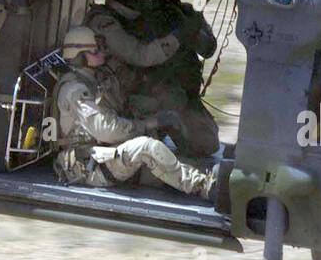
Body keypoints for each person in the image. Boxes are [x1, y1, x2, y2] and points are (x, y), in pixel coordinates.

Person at [52, 26, 219, 199]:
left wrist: (157, 114)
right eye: (95, 50)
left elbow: (123, 105)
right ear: (79, 57)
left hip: (106, 155)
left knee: (166, 167)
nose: (102, 53)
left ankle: (208, 180)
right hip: (87, 165)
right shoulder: (74, 90)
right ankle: (204, 187)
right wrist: (146, 124)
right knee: (147, 147)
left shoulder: (98, 79)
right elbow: (107, 130)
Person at [119, 0, 220, 157]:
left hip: (185, 95)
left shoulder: (188, 13)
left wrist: (188, 26)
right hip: (155, 94)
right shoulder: (141, 12)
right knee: (203, 144)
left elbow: (208, 49)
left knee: (210, 143)